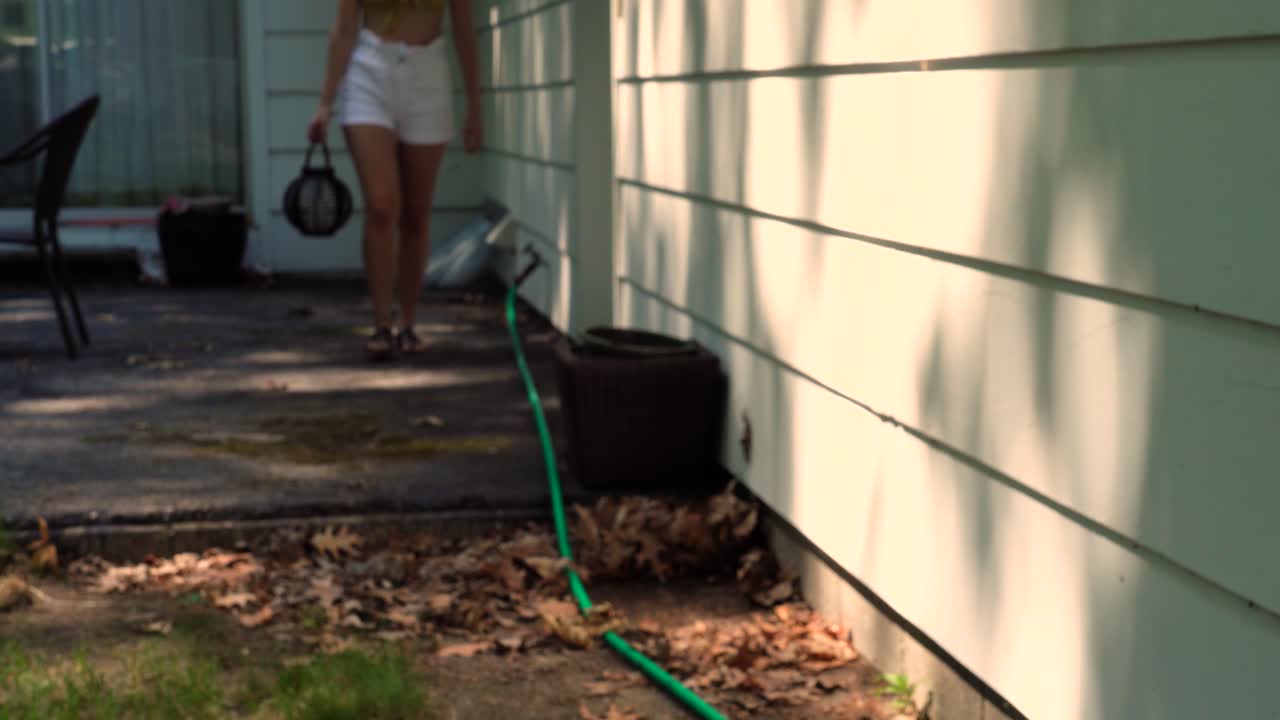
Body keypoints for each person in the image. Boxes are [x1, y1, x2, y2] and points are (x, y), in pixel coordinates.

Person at [308, 0, 482, 361]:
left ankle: (408, 324)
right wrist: (325, 102)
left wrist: (475, 106)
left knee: (416, 213)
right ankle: (381, 324)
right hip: (370, 71)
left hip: (429, 74)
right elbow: (344, 28)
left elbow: (464, 29)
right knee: (382, 204)